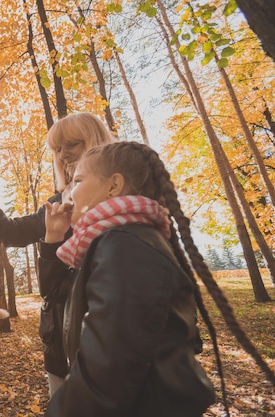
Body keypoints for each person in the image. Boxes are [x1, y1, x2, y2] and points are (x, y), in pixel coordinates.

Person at [41, 141, 275, 416]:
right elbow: (57, 292)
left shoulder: (124, 246)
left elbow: (107, 374)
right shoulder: (121, 239)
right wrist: (54, 235)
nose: (68, 196)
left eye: (78, 181)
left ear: (113, 186)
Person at [0, 112, 115, 397]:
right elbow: (13, 233)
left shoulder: (123, 198)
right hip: (59, 340)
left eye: (72, 144)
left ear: (95, 142)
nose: (63, 154)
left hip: (107, 345)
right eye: (57, 149)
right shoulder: (58, 203)